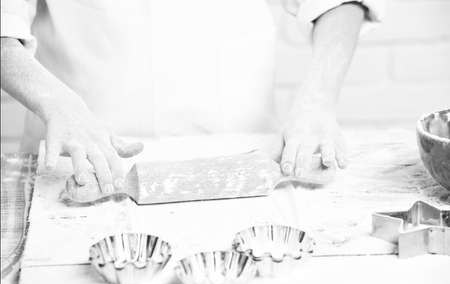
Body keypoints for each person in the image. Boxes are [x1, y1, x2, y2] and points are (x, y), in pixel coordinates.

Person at [1, 0, 384, 193]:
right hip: (81, 166)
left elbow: (338, 3)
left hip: (241, 161)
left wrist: (317, 100)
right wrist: (55, 102)